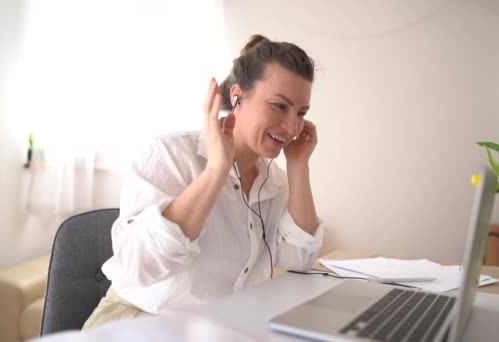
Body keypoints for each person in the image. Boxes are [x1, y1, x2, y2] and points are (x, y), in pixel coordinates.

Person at [82, 34, 324, 330]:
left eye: (301, 113)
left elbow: (298, 260)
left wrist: (299, 166)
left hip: (220, 330)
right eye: (278, 106)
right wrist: (216, 170)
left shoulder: (275, 181)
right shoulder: (169, 154)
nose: (292, 127)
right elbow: (137, 267)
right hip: (142, 322)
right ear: (237, 96)